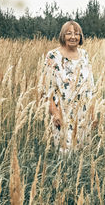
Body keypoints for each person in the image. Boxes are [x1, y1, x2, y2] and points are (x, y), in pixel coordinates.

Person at [39, 21, 94, 152]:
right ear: (63, 36)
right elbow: (45, 88)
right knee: (64, 152)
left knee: (82, 153)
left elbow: (90, 85)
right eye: (69, 33)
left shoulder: (84, 55)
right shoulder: (53, 56)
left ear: (81, 37)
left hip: (82, 112)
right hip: (63, 112)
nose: (73, 37)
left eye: (76, 33)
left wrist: (93, 112)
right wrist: (55, 112)